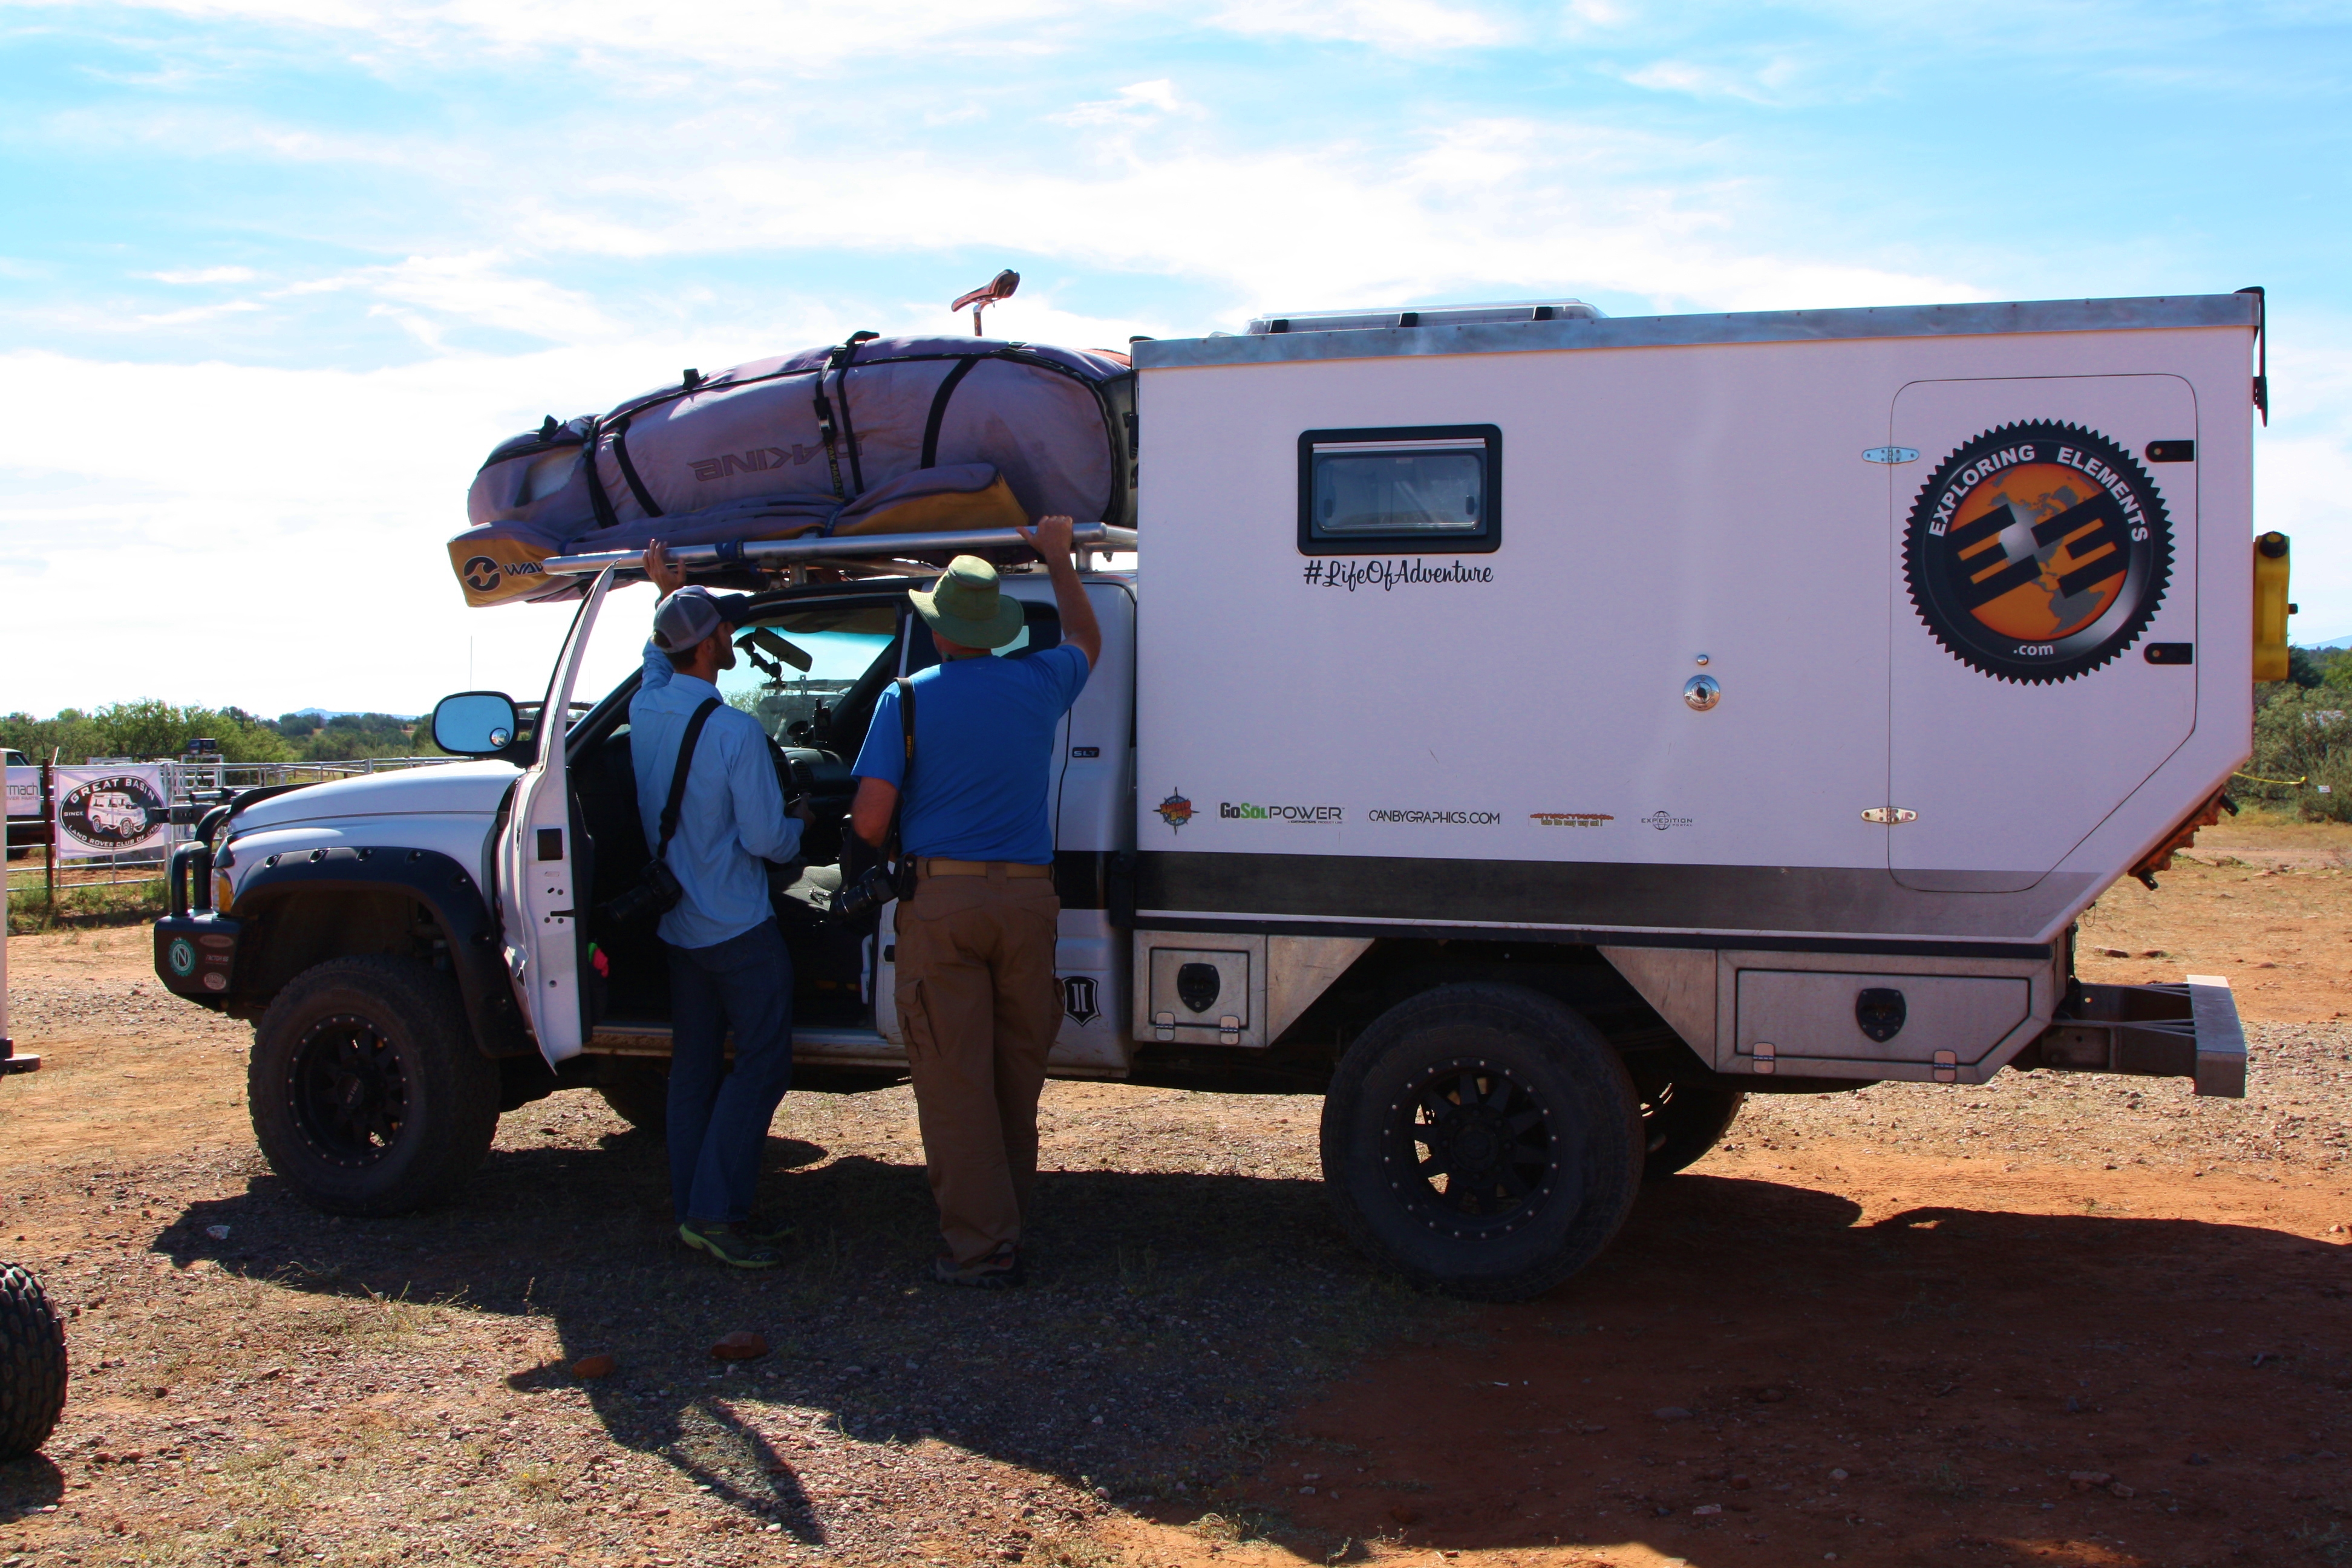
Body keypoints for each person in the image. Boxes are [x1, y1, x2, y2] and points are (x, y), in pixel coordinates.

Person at [849, 515, 1102, 1288]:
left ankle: (983, 1247)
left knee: (955, 1083)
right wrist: (1059, 558)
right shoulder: (1040, 682)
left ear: (939, 632)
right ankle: (1005, 1227)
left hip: (944, 903)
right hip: (1028, 903)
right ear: (996, 630)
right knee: (1013, 1077)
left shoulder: (907, 699)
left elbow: (869, 820)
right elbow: (1088, 637)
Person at [634, 541, 811, 1269]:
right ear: (710, 646)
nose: (731, 635)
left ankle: (696, 1210)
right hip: (738, 928)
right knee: (764, 1065)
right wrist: (802, 824)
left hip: (679, 926)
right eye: (724, 629)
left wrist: (664, 593)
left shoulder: (647, 705)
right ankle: (716, 1213)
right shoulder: (735, 731)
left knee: (694, 1073)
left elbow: (655, 659)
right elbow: (768, 841)